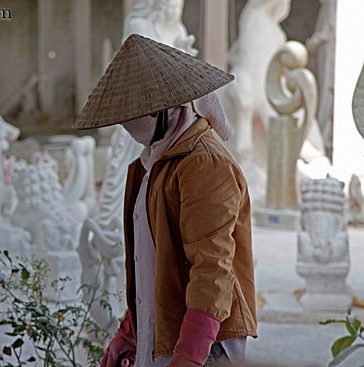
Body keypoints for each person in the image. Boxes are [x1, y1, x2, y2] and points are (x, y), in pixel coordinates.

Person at [73, 34, 257, 367]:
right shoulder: (153, 163)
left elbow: (212, 270)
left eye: (137, 112)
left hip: (205, 345)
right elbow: (151, 263)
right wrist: (128, 333)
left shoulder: (203, 164)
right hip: (164, 333)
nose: (129, 122)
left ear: (170, 108)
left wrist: (189, 356)